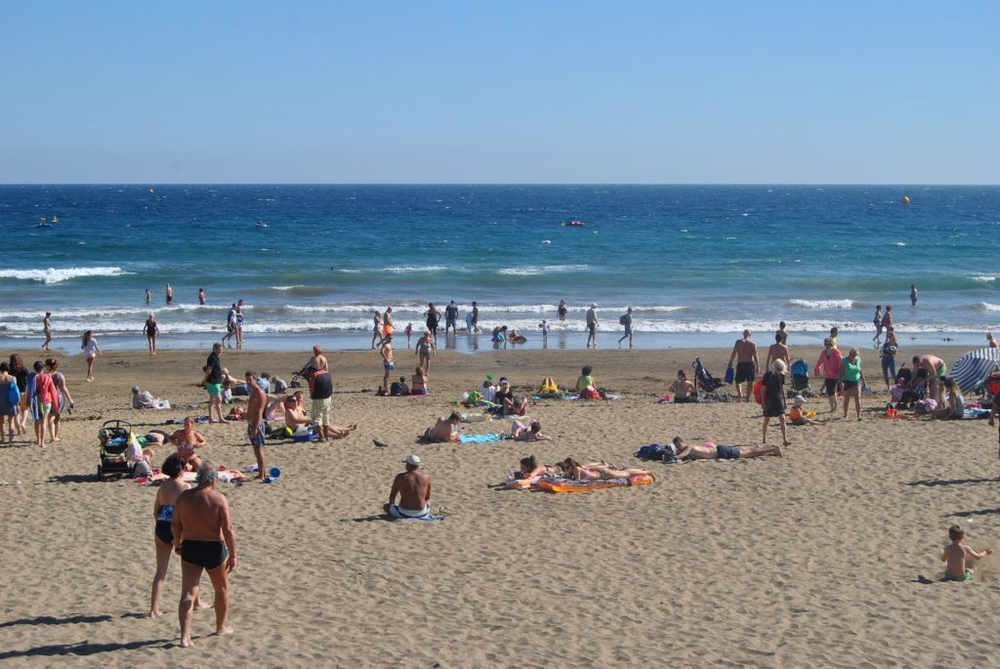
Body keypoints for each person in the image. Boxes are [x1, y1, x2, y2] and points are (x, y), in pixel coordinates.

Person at [172, 461, 237, 647]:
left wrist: (177, 543)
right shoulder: (218, 499)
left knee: (188, 593)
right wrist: (233, 554)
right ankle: (220, 627)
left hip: (191, 546)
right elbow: (228, 529)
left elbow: (175, 523)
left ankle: (185, 637)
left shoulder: (184, 497)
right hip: (213, 548)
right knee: (221, 589)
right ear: (213, 480)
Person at [149, 454, 207, 618]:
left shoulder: (163, 486)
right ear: (180, 469)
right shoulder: (185, 487)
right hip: (178, 528)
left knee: (160, 572)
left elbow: (156, 511)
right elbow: (189, 511)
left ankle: (154, 609)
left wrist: (162, 525)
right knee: (192, 569)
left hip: (161, 526)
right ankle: (196, 602)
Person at [386, 455, 432, 519]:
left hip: (403, 513)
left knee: (386, 506)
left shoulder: (400, 477)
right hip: (422, 513)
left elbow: (393, 495)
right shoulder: (426, 477)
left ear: (408, 465)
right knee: (429, 501)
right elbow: (427, 497)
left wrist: (392, 506)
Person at [671, 437, 782, 460]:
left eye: (679, 445)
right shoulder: (689, 448)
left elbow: (680, 457)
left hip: (721, 452)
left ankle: (772, 449)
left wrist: (673, 455)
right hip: (720, 451)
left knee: (748, 454)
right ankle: (767, 447)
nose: (678, 447)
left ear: (684, 442)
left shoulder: (689, 448)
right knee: (746, 451)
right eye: (677, 446)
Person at [761, 359, 790, 446]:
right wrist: (763, 402)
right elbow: (762, 390)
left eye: (781, 369)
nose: (779, 370)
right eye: (778, 368)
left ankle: (785, 439)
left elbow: (782, 388)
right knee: (767, 419)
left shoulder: (782, 375)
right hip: (769, 399)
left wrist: (785, 401)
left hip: (778, 399)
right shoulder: (767, 375)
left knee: (783, 418)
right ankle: (764, 437)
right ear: (774, 367)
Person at [245, 372, 268, 479]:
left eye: (250, 380)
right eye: (247, 380)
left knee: (259, 450)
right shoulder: (253, 392)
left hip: (256, 425)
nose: (248, 382)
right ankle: (262, 473)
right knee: (256, 450)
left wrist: (255, 428)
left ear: (255, 379)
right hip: (252, 423)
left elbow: (259, 412)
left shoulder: (259, 392)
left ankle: (262, 474)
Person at [727, 329, 759, 402]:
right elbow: (755, 356)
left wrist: (730, 361)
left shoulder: (738, 342)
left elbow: (734, 352)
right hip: (750, 364)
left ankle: (740, 394)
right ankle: (747, 397)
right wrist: (757, 366)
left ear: (743, 334)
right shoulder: (753, 343)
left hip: (741, 363)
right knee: (750, 381)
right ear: (750, 335)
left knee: (738, 381)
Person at [30, 361, 57, 448]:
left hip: (37, 402)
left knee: (37, 421)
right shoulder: (48, 377)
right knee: (44, 422)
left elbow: (29, 390)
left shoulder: (33, 378)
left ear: (34, 368)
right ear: (43, 368)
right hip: (47, 401)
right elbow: (53, 391)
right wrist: (55, 404)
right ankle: (42, 443)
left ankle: (38, 439)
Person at [46, 358, 72, 442]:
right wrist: (70, 399)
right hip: (59, 397)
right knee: (57, 417)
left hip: (49, 397)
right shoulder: (59, 375)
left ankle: (52, 437)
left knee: (50, 418)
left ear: (48, 366)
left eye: (46, 365)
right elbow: (63, 388)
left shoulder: (45, 375)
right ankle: (55, 436)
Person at [814, 337, 843, 413]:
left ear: (831, 344)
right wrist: (817, 369)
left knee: (833, 392)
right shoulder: (823, 353)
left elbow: (841, 362)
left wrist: (841, 373)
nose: (827, 346)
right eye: (826, 344)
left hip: (835, 375)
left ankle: (835, 406)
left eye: (829, 344)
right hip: (827, 375)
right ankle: (832, 408)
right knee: (829, 393)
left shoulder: (836, 352)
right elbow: (819, 362)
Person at [561, 458, 654, 481]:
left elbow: (577, 481)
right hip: (600, 473)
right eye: (565, 468)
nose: (566, 469)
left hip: (604, 474)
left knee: (626, 474)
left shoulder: (577, 469)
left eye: (567, 467)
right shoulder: (575, 470)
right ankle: (641, 470)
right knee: (623, 472)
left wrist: (568, 476)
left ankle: (647, 472)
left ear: (572, 466)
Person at [306, 364, 334, 442]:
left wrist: (311, 395)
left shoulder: (314, 375)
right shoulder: (327, 373)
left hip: (318, 399)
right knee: (326, 417)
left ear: (311, 371)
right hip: (328, 398)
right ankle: (326, 436)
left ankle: (321, 437)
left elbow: (311, 388)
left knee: (316, 417)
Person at [840, 348, 867, 420]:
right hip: (846, 380)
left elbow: (860, 370)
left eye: (853, 355)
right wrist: (841, 382)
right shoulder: (844, 360)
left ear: (856, 355)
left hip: (856, 380)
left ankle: (858, 416)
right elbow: (841, 372)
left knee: (857, 397)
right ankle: (845, 415)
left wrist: (864, 381)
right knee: (846, 399)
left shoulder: (858, 359)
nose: (851, 356)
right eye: (850, 354)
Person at [203, 343, 225, 423]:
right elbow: (209, 370)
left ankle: (211, 418)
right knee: (218, 400)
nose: (220, 351)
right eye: (219, 349)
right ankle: (220, 418)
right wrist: (205, 379)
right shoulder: (212, 357)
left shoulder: (216, 357)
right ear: (214, 349)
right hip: (212, 382)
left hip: (216, 381)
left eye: (221, 349)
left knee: (212, 400)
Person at [9, 354, 28, 437]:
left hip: (13, 393)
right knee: (24, 410)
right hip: (23, 391)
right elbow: (28, 378)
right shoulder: (23, 369)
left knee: (16, 412)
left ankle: (19, 431)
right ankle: (23, 422)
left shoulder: (10, 370)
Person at [0, 363, 18, 444]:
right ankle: (10, 440)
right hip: (10, 400)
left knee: (2, 422)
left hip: (1, 400)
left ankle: (3, 439)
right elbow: (15, 390)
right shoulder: (13, 378)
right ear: (8, 369)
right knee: (11, 422)